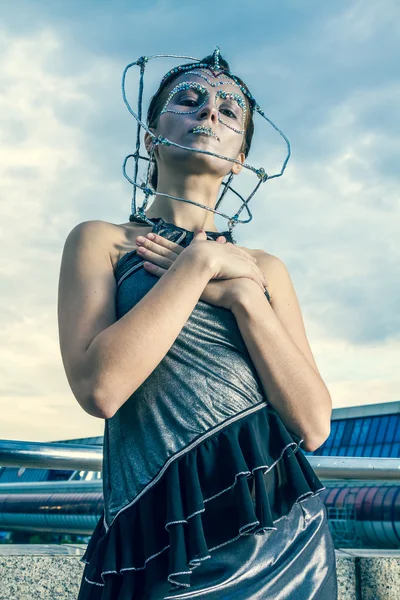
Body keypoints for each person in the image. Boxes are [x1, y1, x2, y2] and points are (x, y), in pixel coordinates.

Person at [58, 51, 338, 599]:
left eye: (229, 111)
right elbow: (101, 389)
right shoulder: (101, 241)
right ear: (151, 139)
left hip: (285, 536)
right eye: (188, 100)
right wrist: (201, 263)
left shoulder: (263, 270)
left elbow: (313, 423)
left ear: (239, 160)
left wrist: (245, 299)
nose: (209, 113)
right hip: (161, 536)